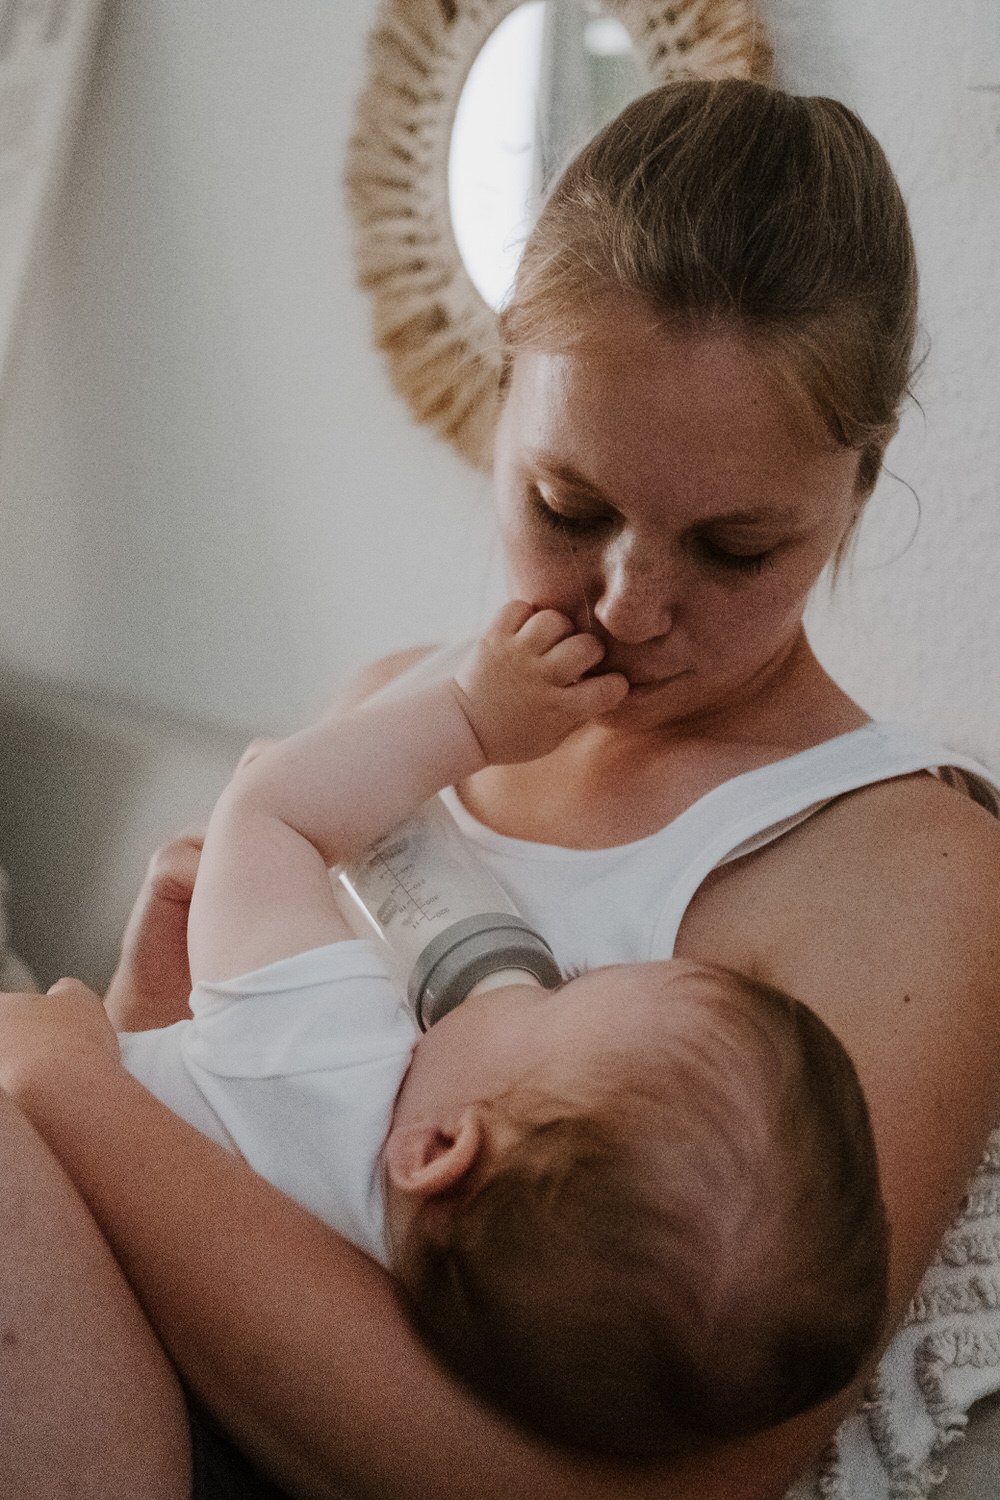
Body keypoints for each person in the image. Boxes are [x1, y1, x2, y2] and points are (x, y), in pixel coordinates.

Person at [0, 76, 999, 1500]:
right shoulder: (409, 706)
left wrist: (59, 1088)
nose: (629, 604)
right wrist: (132, 1032)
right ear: (502, 401)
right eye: (568, 508)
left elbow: (669, 1486)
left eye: (733, 549)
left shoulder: (906, 859)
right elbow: (219, 1124)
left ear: (858, 482)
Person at [117, 599, 888, 1461]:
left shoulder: (333, 1062)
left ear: (441, 1147)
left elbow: (268, 809)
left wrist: (472, 719)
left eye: (559, 994)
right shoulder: (390, 1298)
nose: (540, 968)